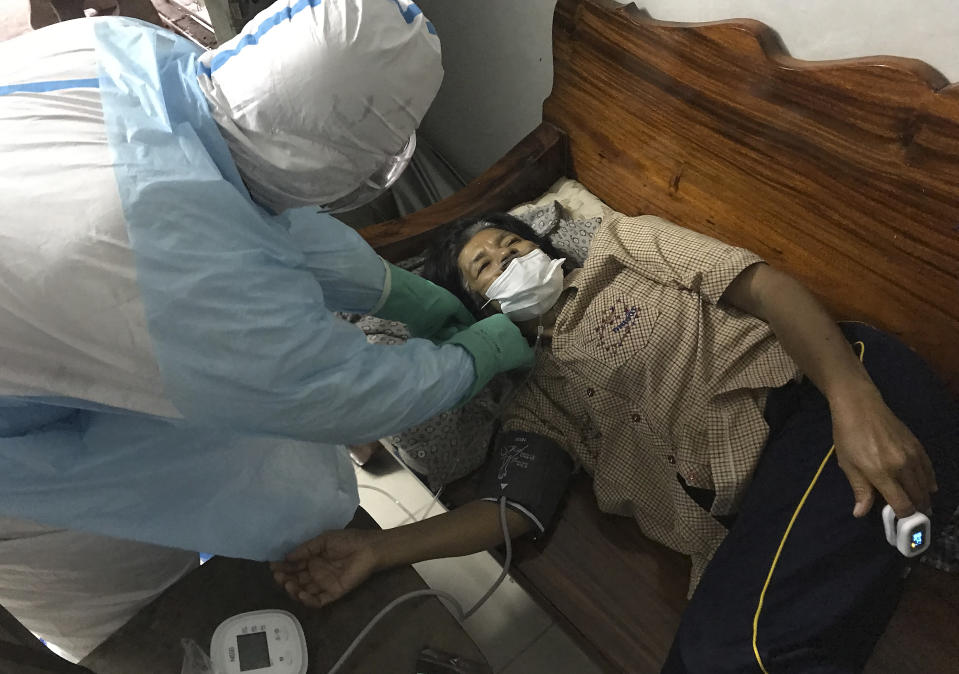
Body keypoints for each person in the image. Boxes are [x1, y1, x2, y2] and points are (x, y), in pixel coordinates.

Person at [0, 0, 532, 660]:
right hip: (24, 480)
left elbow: (253, 203)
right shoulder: (174, 272)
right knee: (147, 625)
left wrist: (395, 290)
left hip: (58, 317)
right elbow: (341, 391)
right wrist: (468, 359)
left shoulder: (125, 54)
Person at [273, 211, 958, 672]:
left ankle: (929, 516)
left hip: (831, 403)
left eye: (514, 244)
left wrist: (851, 400)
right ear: (478, 310)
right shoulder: (541, 400)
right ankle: (931, 524)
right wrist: (376, 549)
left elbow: (765, 288)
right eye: (486, 265)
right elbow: (511, 510)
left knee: (730, 649)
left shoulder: (619, 248)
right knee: (702, 657)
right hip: (766, 515)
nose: (510, 256)